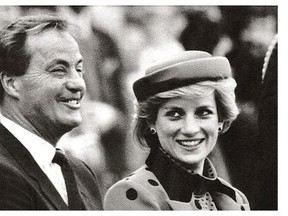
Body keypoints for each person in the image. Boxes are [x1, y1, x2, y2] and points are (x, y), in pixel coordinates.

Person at [104, 51, 250, 210]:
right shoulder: (131, 194)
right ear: (152, 121)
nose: (190, 129)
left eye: (203, 113)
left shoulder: (236, 199)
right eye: (175, 114)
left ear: (220, 120)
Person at [0, 15, 102, 210]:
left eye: (79, 69)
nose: (78, 83)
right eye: (58, 70)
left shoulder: (81, 172)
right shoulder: (4, 173)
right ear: (12, 84)